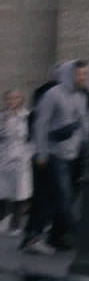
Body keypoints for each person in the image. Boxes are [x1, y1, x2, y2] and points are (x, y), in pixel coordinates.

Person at [24, 59, 89, 255]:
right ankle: (82, 237)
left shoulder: (80, 96)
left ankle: (34, 238)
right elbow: (41, 124)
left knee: (52, 197)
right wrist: (42, 152)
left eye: (85, 74)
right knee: (64, 196)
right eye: (80, 74)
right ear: (69, 74)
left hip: (72, 153)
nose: (83, 78)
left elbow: (86, 123)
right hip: (53, 154)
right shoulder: (53, 95)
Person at [0, 89, 28, 237]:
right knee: (2, 189)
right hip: (4, 154)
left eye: (16, 98)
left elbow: (25, 134)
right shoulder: (2, 115)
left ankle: (16, 224)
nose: (12, 102)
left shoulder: (25, 116)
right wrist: (5, 121)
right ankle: (2, 219)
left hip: (20, 155)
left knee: (19, 191)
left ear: (20, 100)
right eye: (9, 99)